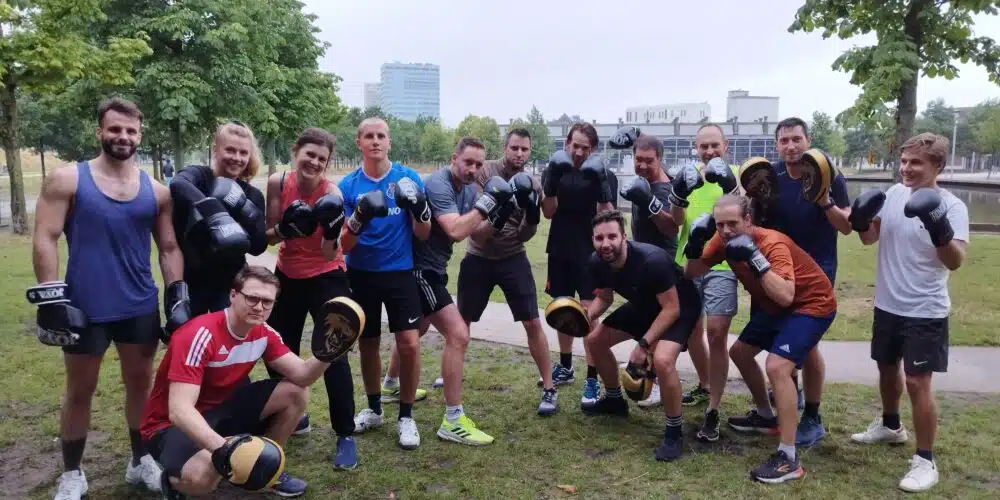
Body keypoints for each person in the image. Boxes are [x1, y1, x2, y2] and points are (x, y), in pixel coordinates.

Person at [28, 97, 187, 499]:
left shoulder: (157, 191)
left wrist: (177, 297)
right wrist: (50, 299)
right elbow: (45, 236)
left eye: (131, 131)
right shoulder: (67, 180)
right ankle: (72, 473)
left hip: (138, 305)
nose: (123, 136)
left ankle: (140, 460)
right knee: (80, 390)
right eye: (115, 129)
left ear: (140, 136)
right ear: (100, 131)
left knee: (141, 387)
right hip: (85, 306)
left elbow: (169, 248)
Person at [139, 266, 350, 499]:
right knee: (202, 479)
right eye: (252, 298)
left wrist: (328, 353)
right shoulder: (199, 334)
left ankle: (265, 468)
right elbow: (179, 410)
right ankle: (173, 482)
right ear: (232, 295)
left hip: (222, 409)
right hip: (169, 425)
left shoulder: (263, 333)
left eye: (267, 302)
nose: (259, 307)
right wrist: (226, 449)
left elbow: (303, 375)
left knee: (296, 391)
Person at [684, 194, 837, 484]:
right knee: (739, 353)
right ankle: (766, 416)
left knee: (777, 366)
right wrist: (694, 245)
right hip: (775, 307)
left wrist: (754, 256)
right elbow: (691, 272)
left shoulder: (772, 243)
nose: (725, 231)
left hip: (811, 303)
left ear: (748, 220)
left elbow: (786, 295)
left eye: (732, 223)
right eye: (719, 224)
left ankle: (789, 458)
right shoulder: (721, 240)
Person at [848, 133, 969, 493]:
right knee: (886, 368)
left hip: (926, 309)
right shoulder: (894, 195)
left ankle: (925, 460)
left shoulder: (953, 206)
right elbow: (869, 239)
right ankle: (891, 426)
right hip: (888, 304)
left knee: (917, 382)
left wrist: (938, 226)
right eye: (903, 161)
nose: (906, 168)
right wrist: (860, 220)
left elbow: (955, 261)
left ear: (937, 166)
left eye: (916, 162)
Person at [383, 136, 518, 444]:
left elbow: (477, 235)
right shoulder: (438, 184)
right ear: (454, 158)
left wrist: (499, 216)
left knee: (416, 330)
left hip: (434, 269)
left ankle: (390, 384)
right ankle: (453, 420)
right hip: (419, 270)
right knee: (458, 334)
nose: (473, 169)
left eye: (479, 164)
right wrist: (487, 204)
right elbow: (456, 230)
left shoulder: (469, 190)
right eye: (468, 162)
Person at [259, 127, 360, 469]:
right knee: (277, 350)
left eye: (322, 159)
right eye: (310, 155)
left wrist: (330, 229)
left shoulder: (331, 193)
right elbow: (268, 237)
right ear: (296, 152)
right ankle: (292, 414)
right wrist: (285, 229)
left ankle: (345, 434)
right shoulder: (278, 183)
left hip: (326, 276)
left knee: (334, 354)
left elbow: (331, 252)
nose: (315, 163)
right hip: (287, 275)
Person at [754, 117, 852, 448]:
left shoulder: (827, 173)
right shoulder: (771, 177)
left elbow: (846, 226)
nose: (791, 146)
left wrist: (824, 200)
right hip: (780, 268)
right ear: (777, 145)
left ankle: (813, 416)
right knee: (783, 336)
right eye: (784, 141)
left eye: (797, 139)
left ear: (808, 140)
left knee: (808, 345)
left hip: (818, 269)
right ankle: (790, 397)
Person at [340, 117, 432, 450]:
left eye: (381, 135)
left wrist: (420, 209)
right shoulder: (348, 186)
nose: (375, 141)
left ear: (389, 141)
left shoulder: (407, 178)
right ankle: (374, 408)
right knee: (368, 344)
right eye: (369, 136)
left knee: (409, 343)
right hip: (361, 273)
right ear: (359, 142)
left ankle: (406, 415)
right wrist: (359, 217)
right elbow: (344, 244)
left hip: (400, 272)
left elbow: (423, 234)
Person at [581, 209, 701, 462]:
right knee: (594, 341)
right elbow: (605, 298)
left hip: (680, 307)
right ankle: (614, 400)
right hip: (644, 305)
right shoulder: (597, 261)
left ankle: (674, 431)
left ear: (624, 237)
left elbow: (671, 309)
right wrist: (584, 317)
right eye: (599, 238)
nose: (605, 243)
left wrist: (644, 345)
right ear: (592, 239)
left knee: (663, 361)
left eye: (612, 236)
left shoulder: (651, 261)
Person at [456, 128, 559, 416]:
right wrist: (501, 212)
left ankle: (549, 387)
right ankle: (451, 373)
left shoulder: (532, 184)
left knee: (532, 321)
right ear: (505, 147)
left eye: (525, 149)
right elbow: (478, 235)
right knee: (462, 321)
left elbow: (525, 235)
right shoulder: (484, 172)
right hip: (478, 257)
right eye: (514, 148)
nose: (519, 154)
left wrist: (532, 215)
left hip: (513, 257)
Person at [669, 124, 742, 443]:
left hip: (723, 264)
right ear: (695, 148)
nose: (710, 151)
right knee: (692, 331)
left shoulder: (737, 174)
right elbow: (676, 222)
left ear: (726, 145)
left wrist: (732, 187)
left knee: (716, 333)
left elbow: (749, 216)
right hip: (689, 262)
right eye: (704, 146)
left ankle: (713, 409)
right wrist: (678, 194)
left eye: (715, 145)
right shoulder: (688, 176)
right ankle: (705, 384)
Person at [541, 122, 616, 409]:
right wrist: (551, 182)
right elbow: (548, 212)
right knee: (563, 310)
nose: (579, 152)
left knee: (588, 314)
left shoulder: (603, 172)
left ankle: (592, 378)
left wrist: (602, 188)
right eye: (575, 145)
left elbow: (610, 219)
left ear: (592, 148)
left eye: (585, 148)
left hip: (590, 254)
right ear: (566, 143)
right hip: (559, 249)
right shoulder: (555, 169)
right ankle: (565, 365)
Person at [169, 121, 268, 316]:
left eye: (243, 153)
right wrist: (216, 214)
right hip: (191, 280)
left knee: (228, 334)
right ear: (215, 149)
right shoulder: (199, 177)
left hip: (230, 283)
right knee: (189, 334)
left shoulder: (252, 195)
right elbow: (177, 183)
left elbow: (258, 247)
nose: (237, 158)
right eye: (230, 150)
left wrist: (246, 212)